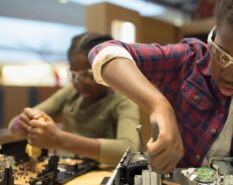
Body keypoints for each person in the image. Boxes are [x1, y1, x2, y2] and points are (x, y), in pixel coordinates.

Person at [88, 0, 233, 173]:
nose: (229, 73)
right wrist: (159, 106)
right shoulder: (188, 60)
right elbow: (105, 52)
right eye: (221, 54)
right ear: (214, 34)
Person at [9, 33, 140, 165]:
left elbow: (128, 150)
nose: (80, 82)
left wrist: (60, 140)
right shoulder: (71, 92)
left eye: (88, 74)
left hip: (103, 176)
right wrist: (23, 123)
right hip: (68, 169)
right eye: (74, 74)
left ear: (108, 70)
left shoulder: (124, 100)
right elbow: (13, 126)